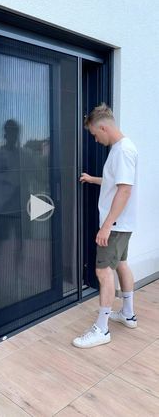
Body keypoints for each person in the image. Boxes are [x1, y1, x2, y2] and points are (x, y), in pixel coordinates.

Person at [73, 103, 138, 349]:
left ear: (102, 127)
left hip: (116, 223)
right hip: (124, 223)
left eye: (93, 134)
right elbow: (116, 182)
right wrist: (93, 179)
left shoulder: (121, 151)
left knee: (102, 272)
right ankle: (128, 314)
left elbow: (124, 189)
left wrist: (106, 226)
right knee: (121, 264)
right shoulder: (123, 148)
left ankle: (102, 329)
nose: (95, 139)